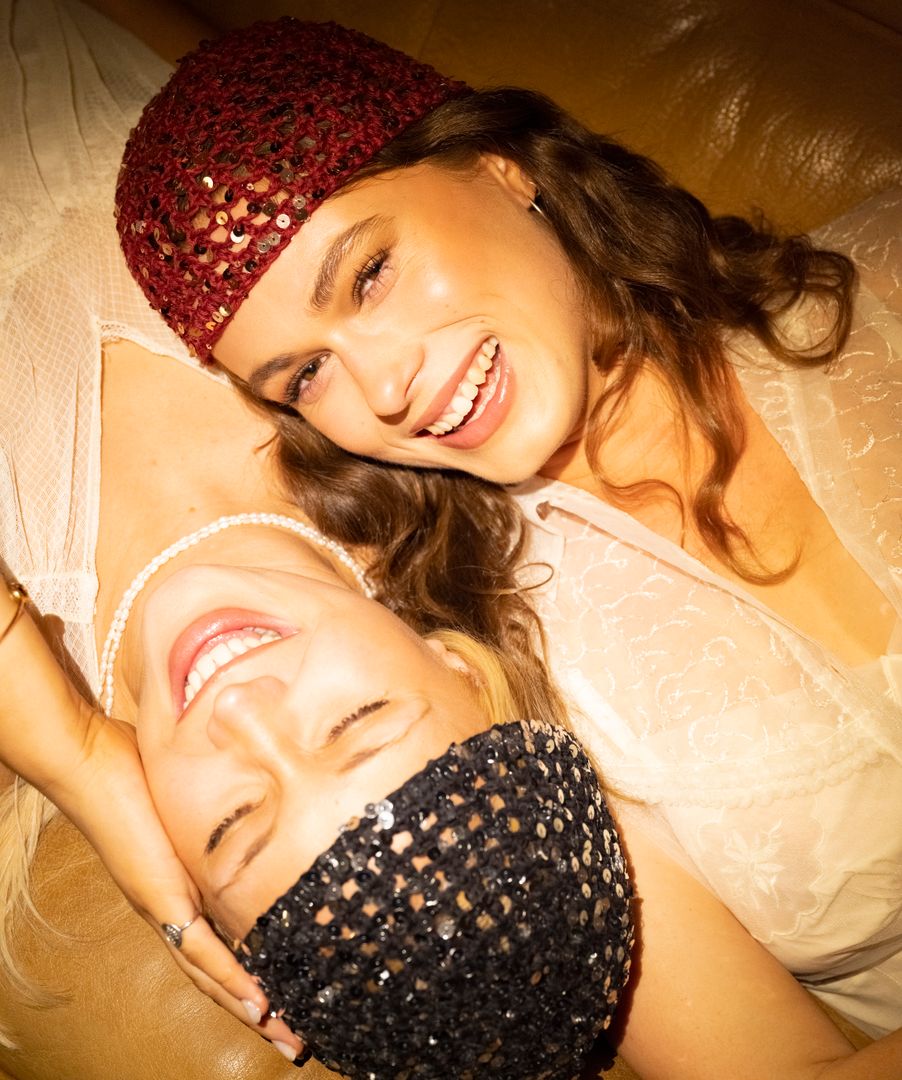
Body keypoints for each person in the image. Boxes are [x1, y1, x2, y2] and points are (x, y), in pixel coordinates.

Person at [113, 13, 902, 1077]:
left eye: (369, 274)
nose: (384, 387)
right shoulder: (507, 707)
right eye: (306, 374)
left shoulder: (884, 278)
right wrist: (85, 768)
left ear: (497, 168)